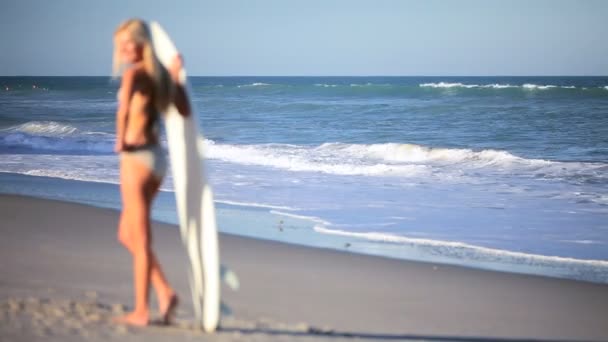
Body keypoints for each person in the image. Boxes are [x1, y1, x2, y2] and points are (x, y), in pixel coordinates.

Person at [112, 18, 190, 326]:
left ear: (142, 43)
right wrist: (176, 76)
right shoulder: (163, 79)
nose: (121, 50)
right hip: (158, 161)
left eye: (126, 44)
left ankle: (142, 311)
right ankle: (164, 290)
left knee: (140, 239)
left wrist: (120, 140)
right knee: (126, 234)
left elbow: (123, 111)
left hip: (136, 159)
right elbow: (184, 111)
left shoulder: (134, 75)